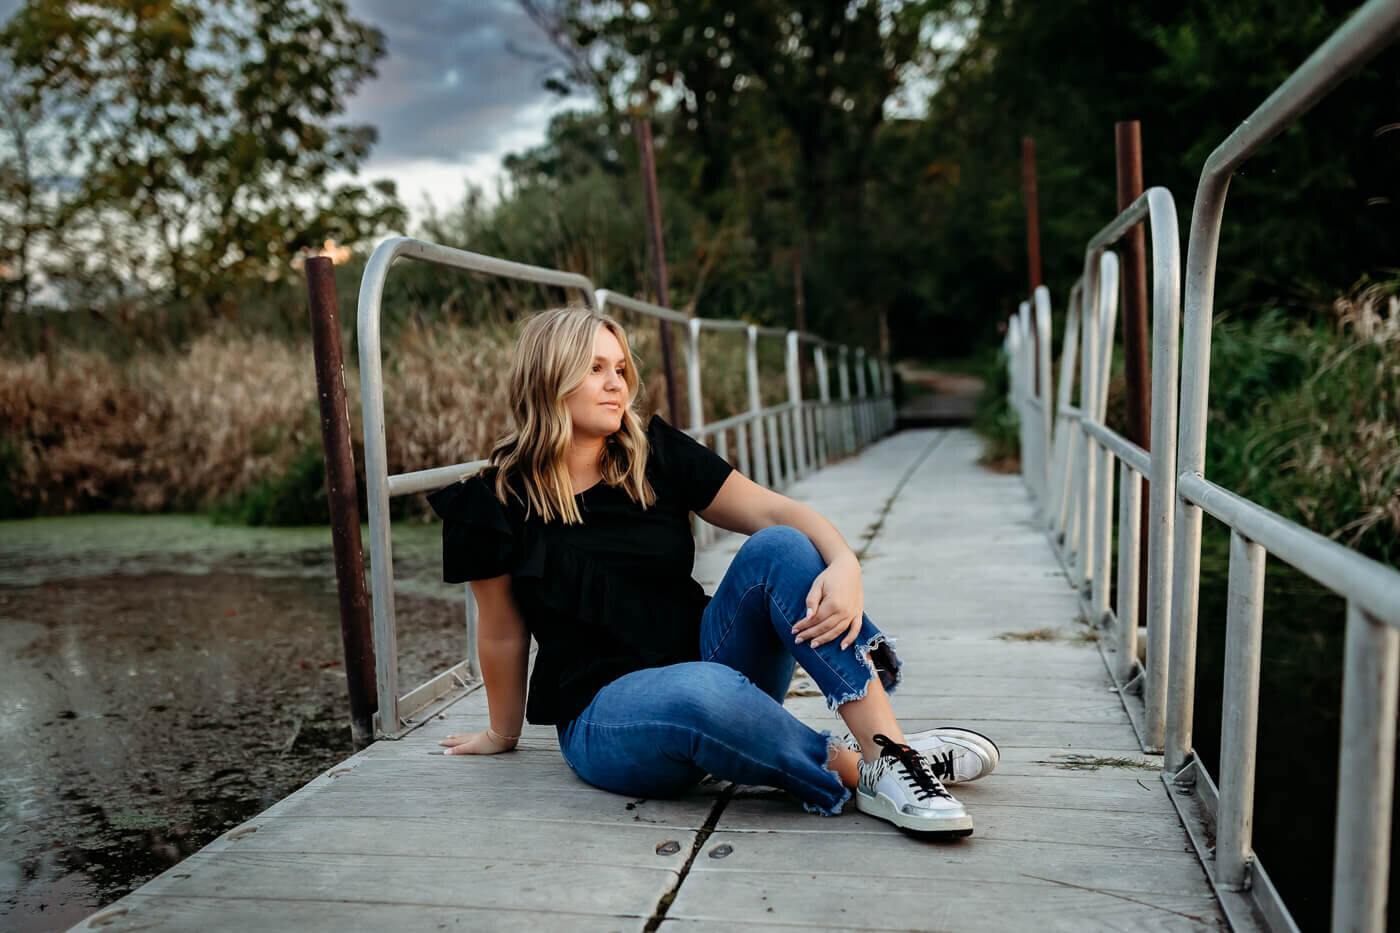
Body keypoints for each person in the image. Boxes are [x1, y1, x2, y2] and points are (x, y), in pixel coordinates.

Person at [427, 307, 998, 836]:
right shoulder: (490, 502)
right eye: (595, 368)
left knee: (780, 547)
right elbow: (502, 630)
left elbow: (777, 512)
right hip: (605, 717)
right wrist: (502, 735)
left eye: (621, 368)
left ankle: (889, 755)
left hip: (711, 658)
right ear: (547, 378)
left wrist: (845, 563)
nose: (615, 384)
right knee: (701, 690)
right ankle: (859, 770)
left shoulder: (655, 454)